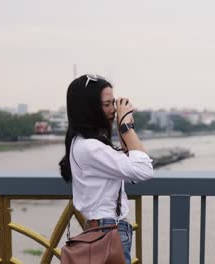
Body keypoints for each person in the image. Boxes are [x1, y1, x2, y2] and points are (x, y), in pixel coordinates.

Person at [59, 74, 154, 264]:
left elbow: (130, 166)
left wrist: (120, 128)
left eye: (114, 103)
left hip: (100, 230)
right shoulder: (91, 148)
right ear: (89, 108)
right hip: (108, 232)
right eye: (107, 104)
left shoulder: (82, 142)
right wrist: (127, 126)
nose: (113, 110)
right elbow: (144, 169)